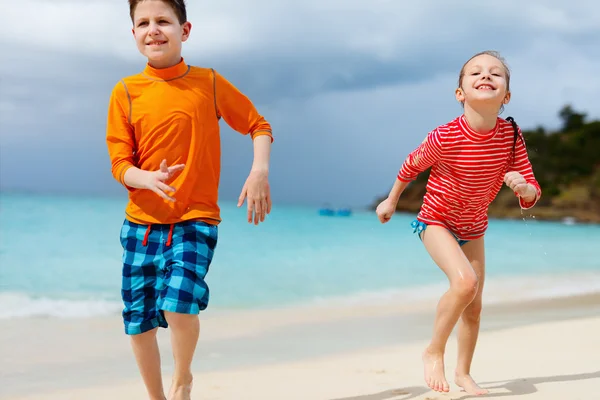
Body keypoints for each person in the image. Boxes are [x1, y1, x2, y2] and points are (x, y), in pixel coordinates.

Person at [105, 1, 273, 399]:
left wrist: (259, 171)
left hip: (194, 219)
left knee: (179, 305)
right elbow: (119, 163)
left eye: (163, 21)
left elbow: (257, 125)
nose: (154, 30)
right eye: (143, 23)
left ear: (185, 30)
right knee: (139, 323)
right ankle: (156, 396)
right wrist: (145, 177)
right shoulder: (126, 91)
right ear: (134, 35)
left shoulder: (209, 83)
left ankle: (182, 379)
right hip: (140, 225)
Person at [375, 50, 541, 395]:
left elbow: (531, 189)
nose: (486, 76)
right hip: (436, 220)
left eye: (496, 74)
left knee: (475, 307)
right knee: (465, 284)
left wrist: (524, 188)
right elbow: (411, 165)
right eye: (475, 73)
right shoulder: (445, 136)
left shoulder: (511, 135)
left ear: (506, 96)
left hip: (474, 226)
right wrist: (391, 200)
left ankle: (463, 373)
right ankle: (433, 350)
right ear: (460, 93)